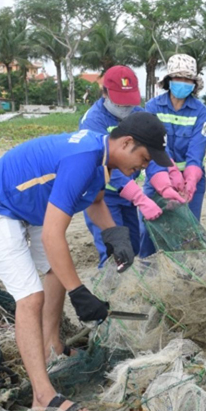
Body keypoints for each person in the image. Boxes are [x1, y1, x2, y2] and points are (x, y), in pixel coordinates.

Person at [0, 112, 172, 411]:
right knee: (30, 298)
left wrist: (115, 234)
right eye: (146, 158)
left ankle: (52, 347)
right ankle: (42, 396)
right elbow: (52, 236)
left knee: (56, 271)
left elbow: (96, 201)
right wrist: (79, 292)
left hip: (30, 207)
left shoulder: (101, 157)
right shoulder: (84, 157)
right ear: (127, 143)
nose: (144, 167)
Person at [80, 65, 158, 268]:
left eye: (129, 103)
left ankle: (131, 292)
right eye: (119, 102)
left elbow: (152, 151)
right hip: (103, 195)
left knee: (133, 245)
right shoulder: (93, 121)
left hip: (128, 196)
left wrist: (165, 179)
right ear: (104, 92)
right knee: (114, 251)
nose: (125, 108)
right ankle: (110, 297)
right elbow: (103, 163)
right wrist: (138, 196)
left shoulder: (139, 115)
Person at [140, 54, 206, 257]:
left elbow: (196, 151)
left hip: (191, 179)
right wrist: (170, 174)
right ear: (169, 81)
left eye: (188, 79)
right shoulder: (153, 107)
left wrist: (191, 179)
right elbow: (155, 144)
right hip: (157, 174)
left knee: (188, 229)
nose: (183, 83)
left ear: (194, 84)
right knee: (149, 227)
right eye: (178, 78)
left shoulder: (200, 111)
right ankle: (148, 266)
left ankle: (185, 272)